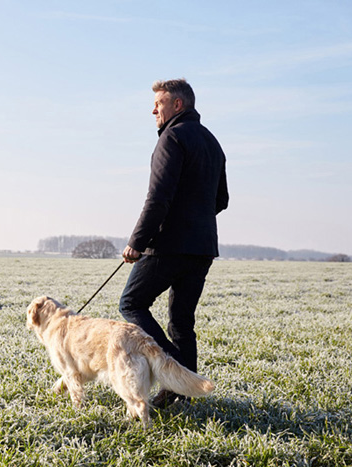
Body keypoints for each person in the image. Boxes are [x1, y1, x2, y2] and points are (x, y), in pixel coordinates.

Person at [119, 78, 229, 408]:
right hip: (203, 247)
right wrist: (195, 216)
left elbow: (158, 198)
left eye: (160, 102)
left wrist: (137, 242)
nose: (154, 109)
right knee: (181, 322)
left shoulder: (172, 137)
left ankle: (174, 374)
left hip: (169, 245)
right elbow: (221, 200)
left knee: (131, 303)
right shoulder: (212, 142)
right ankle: (183, 392)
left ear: (177, 105)